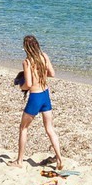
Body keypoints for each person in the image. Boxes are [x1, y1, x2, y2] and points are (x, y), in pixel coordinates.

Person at [14, 33, 62, 169]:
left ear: (26, 48)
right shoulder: (44, 56)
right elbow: (52, 73)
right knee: (50, 129)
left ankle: (19, 161)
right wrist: (41, 74)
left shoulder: (27, 62)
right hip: (45, 95)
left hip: (35, 97)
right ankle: (59, 159)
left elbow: (28, 84)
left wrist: (21, 86)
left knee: (23, 128)